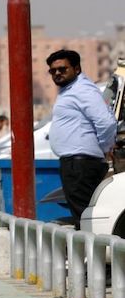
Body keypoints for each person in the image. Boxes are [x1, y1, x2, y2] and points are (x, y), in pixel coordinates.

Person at [47, 49, 116, 229]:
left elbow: (106, 122)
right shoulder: (69, 90)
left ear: (76, 69)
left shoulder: (82, 90)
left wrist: (104, 147)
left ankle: (92, 255)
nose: (57, 73)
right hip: (76, 163)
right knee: (82, 215)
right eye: (52, 71)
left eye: (62, 69)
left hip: (81, 165)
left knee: (84, 217)